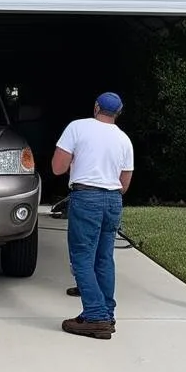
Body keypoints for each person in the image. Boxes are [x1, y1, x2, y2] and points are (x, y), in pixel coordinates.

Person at [51, 91, 134, 340]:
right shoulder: (124, 139)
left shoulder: (77, 127)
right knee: (104, 258)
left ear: (96, 106)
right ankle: (107, 314)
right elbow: (124, 183)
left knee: (82, 258)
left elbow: (57, 168)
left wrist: (75, 159)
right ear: (119, 112)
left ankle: (95, 316)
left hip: (86, 197)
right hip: (112, 200)